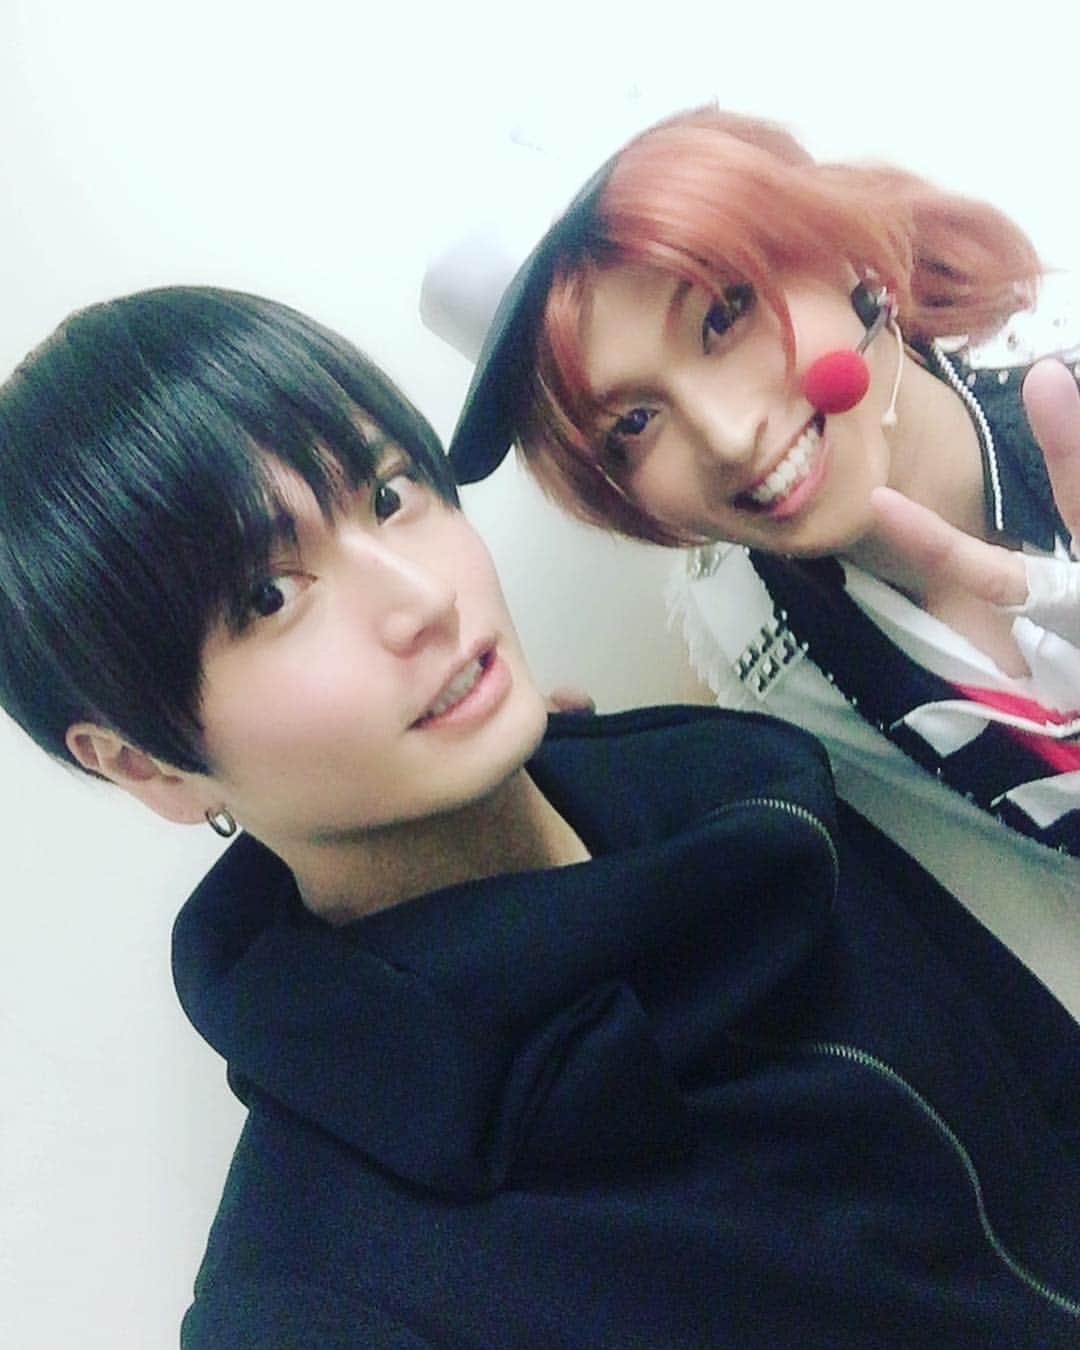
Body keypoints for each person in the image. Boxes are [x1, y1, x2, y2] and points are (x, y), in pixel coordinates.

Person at [2, 286, 1078, 1347]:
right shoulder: (311, 1307)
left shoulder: (746, 797)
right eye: (269, 598)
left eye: (389, 494)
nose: (421, 600)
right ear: (148, 765)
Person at [428, 105, 1080, 1016]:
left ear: (839, 247)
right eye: (633, 423)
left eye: (723, 316)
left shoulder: (1057, 381)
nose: (730, 435)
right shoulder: (750, 633)